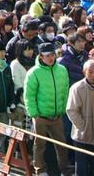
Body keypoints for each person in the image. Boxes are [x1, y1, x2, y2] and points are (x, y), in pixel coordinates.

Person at [25, 41, 73, 176]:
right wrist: (35, 114)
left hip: (57, 116)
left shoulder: (62, 70)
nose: (51, 58)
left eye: (53, 55)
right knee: (39, 146)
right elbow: (29, 95)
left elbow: (65, 92)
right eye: (48, 56)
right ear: (41, 57)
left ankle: (66, 170)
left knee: (62, 145)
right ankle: (40, 170)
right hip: (41, 116)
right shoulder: (34, 73)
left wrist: (62, 110)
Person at [66, 60, 94, 176]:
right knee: (82, 169)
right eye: (90, 72)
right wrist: (83, 127)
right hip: (82, 136)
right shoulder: (77, 88)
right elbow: (72, 110)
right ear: (84, 72)